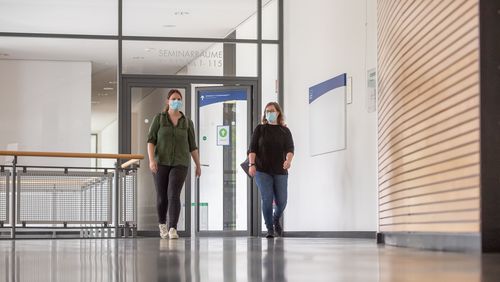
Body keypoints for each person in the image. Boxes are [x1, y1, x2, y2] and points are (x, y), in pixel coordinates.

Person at [147, 89, 201, 239]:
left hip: (180, 163)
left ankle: (173, 228)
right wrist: (152, 160)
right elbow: (151, 141)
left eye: (179, 99)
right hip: (160, 162)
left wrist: (198, 164)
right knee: (161, 196)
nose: (176, 101)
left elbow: (193, 146)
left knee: (173, 194)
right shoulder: (159, 119)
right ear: (168, 101)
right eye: (173, 99)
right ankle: (162, 225)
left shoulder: (187, 122)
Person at [248, 102, 294, 238]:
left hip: (280, 171)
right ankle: (269, 228)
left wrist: (288, 160)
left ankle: (275, 219)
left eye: (272, 111)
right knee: (267, 198)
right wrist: (251, 164)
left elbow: (290, 148)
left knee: (282, 201)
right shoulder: (260, 129)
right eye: (267, 111)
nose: (269, 113)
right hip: (262, 170)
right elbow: (252, 148)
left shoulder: (285, 131)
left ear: (278, 113)